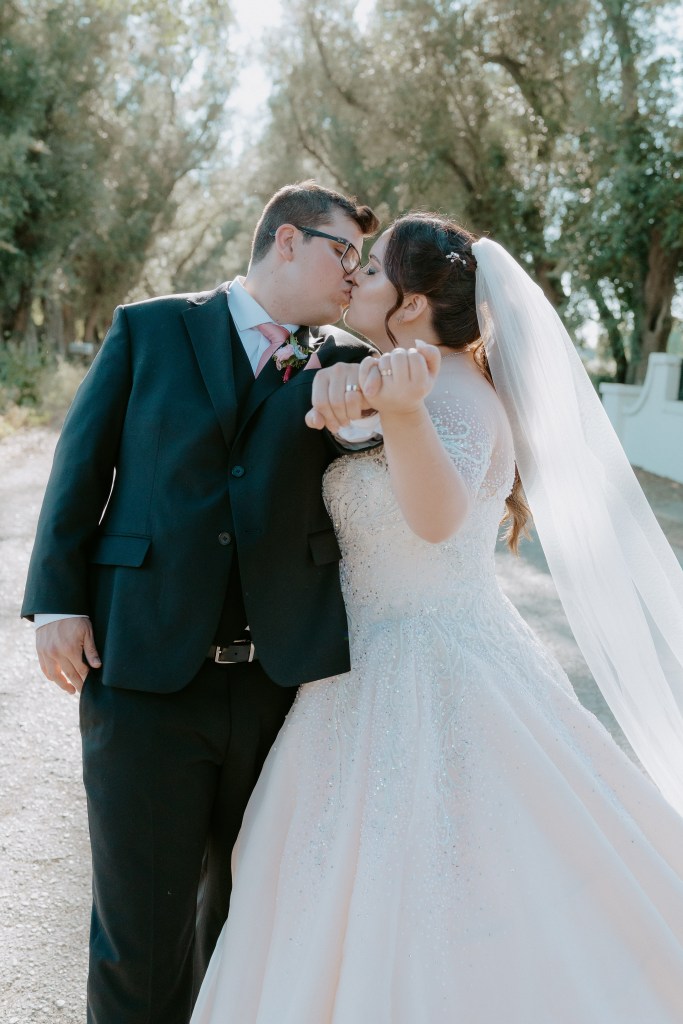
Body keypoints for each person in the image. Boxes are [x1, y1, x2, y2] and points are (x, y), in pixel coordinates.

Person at [190, 213, 683, 1023]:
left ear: (414, 304)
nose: (355, 281)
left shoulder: (447, 394)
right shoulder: (405, 376)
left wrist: (404, 412)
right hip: (363, 668)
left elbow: (433, 518)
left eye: (374, 274)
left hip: (427, 670)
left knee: (434, 897)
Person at [21, 181, 382, 1024]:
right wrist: (56, 603)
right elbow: (81, 469)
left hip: (280, 684)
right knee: (138, 930)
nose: (352, 273)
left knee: (248, 926)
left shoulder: (340, 364)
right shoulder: (148, 328)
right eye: (343, 253)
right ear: (287, 241)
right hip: (143, 668)